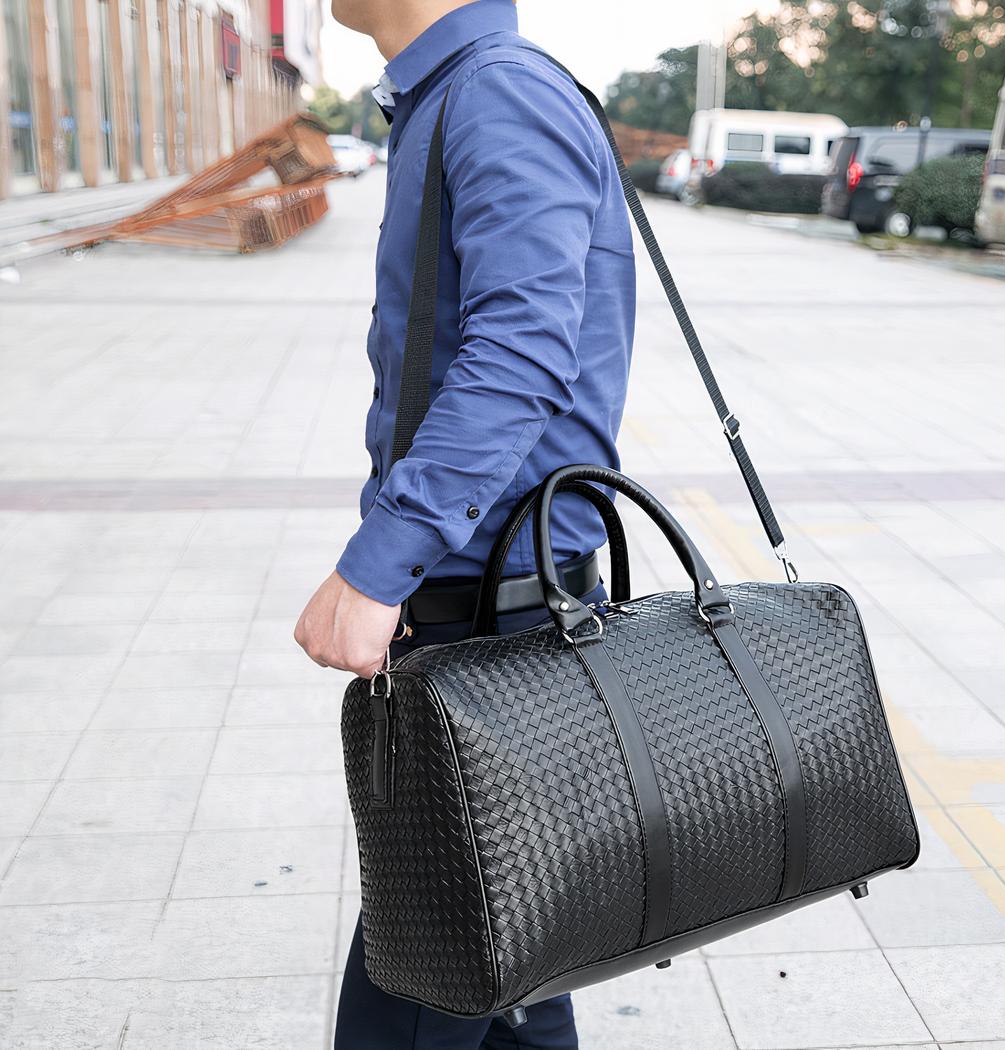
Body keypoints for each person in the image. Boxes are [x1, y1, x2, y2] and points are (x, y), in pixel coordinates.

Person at [294, 0, 635, 1045]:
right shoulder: (459, 91)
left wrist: (379, 565)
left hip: (491, 623)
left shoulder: (498, 93)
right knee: (516, 975)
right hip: (491, 606)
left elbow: (518, 356)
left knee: (431, 982)